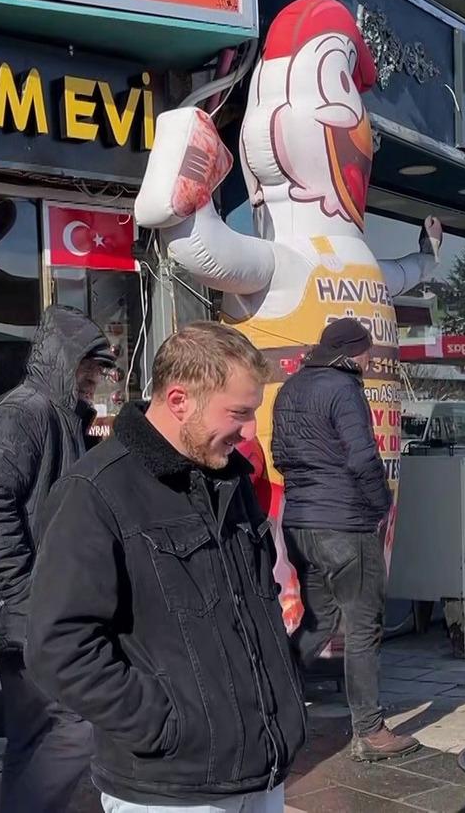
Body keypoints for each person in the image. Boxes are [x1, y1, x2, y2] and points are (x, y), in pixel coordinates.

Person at [26, 322, 306, 813]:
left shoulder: (230, 480)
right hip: (169, 787)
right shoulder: (95, 492)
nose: (248, 433)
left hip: (261, 772)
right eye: (239, 414)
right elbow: (59, 647)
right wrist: (165, 725)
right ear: (179, 401)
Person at [0, 304, 115, 813]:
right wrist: (24, 595)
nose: (94, 378)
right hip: (31, 607)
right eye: (88, 367)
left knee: (35, 733)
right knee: (75, 724)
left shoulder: (57, 416)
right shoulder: (27, 412)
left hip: (33, 604)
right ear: (65, 362)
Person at [272, 318, 419, 761]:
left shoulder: (290, 388)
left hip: (299, 521)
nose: (371, 358)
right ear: (352, 351)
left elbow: (281, 456)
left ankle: (273, 699)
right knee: (362, 627)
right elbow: (362, 457)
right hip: (344, 524)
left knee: (318, 619)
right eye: (367, 351)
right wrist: (380, 506)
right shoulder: (343, 388)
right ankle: (371, 732)